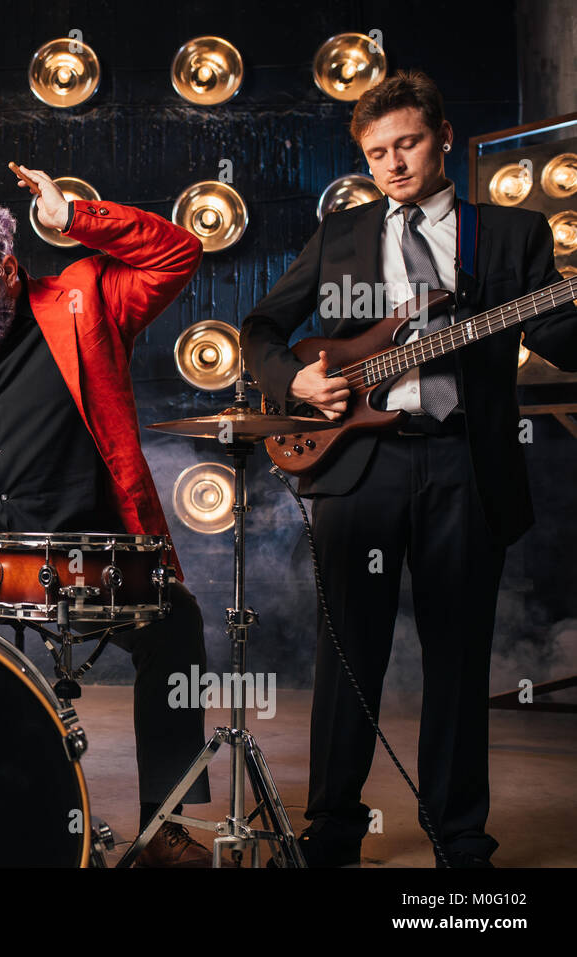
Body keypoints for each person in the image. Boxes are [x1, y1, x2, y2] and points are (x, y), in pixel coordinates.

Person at [240, 71, 577, 867]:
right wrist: (294, 378)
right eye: (377, 152)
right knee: (346, 652)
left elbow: (561, 340)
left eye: (409, 144)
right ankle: (333, 831)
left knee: (458, 656)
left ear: (444, 137)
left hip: (464, 463)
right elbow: (262, 326)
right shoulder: (343, 235)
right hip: (361, 464)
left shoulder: (510, 235)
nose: (394, 163)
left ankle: (460, 837)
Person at [0, 165, 213, 865]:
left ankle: (163, 823)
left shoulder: (85, 299)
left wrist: (76, 217)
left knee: (176, 623)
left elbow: (178, 253)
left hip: (79, 543)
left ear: (10, 269)